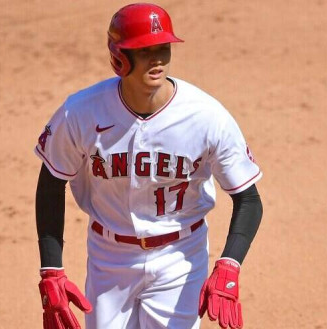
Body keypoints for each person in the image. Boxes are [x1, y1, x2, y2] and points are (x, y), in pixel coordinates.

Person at [34, 3, 263, 329]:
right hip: (108, 259)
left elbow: (249, 198)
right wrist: (51, 270)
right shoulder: (80, 113)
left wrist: (230, 264)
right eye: (144, 50)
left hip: (180, 257)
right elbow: (50, 184)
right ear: (118, 57)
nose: (157, 58)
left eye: (163, 48)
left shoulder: (207, 117)